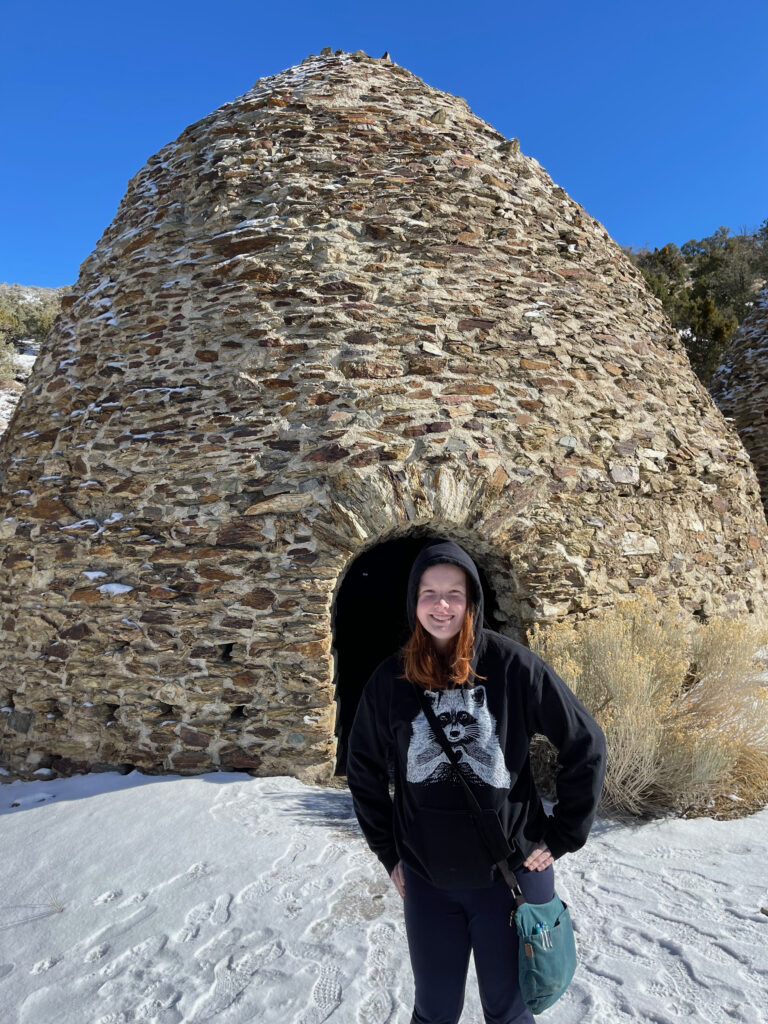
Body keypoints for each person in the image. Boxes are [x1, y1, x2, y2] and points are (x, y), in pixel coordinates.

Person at [346, 539, 606, 1024]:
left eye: (454, 594)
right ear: (413, 600)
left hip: (509, 878)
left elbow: (585, 742)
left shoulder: (512, 667)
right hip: (428, 881)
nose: (441, 606)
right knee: (434, 1011)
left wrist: (563, 833)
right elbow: (362, 770)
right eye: (429, 593)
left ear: (472, 601)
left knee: (508, 1013)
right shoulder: (391, 679)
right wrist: (388, 850)